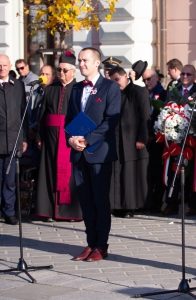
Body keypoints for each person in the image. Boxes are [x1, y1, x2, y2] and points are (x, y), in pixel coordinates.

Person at [65, 47, 121, 262]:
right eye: (79, 60)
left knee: (99, 200)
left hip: (99, 152)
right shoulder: (77, 88)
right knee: (85, 201)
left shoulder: (110, 87)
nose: (81, 64)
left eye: (85, 60)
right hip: (78, 153)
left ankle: (101, 245)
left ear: (97, 63)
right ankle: (90, 243)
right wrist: (71, 138)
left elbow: (111, 121)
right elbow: (69, 119)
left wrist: (88, 139)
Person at [35, 51, 82, 222]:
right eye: (60, 70)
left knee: (68, 174)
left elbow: (83, 115)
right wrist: (39, 136)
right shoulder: (51, 89)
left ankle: (68, 212)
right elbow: (42, 114)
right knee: (48, 172)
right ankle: (47, 211)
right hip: (50, 139)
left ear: (73, 71)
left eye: (65, 70)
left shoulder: (79, 88)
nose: (61, 73)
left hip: (69, 138)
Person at [108, 66, 151, 218]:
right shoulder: (111, 93)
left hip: (132, 140)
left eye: (117, 80)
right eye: (112, 81)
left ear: (125, 76)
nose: (115, 84)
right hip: (114, 139)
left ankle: (129, 207)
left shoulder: (139, 91)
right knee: (115, 173)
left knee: (129, 174)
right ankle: (115, 205)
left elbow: (145, 117)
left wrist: (142, 138)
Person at [161, 64, 196, 216]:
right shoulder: (173, 89)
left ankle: (194, 204)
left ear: (195, 77)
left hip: (192, 138)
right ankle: (171, 204)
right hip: (175, 137)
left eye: (188, 74)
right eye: (183, 73)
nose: (185, 76)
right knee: (173, 170)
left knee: (192, 172)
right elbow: (166, 107)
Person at [0, 54, 28, 225]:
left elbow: (23, 113)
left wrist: (24, 138)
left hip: (13, 139)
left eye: (4, 65)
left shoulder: (17, 85)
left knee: (10, 180)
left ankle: (9, 211)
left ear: (9, 66)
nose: (1, 68)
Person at [142, 69, 167, 213]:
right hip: (147, 139)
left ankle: (157, 203)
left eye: (149, 79)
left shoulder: (163, 93)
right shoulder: (145, 92)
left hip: (158, 140)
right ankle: (149, 202)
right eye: (144, 80)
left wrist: (155, 133)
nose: (147, 82)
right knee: (149, 173)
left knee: (158, 173)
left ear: (156, 77)